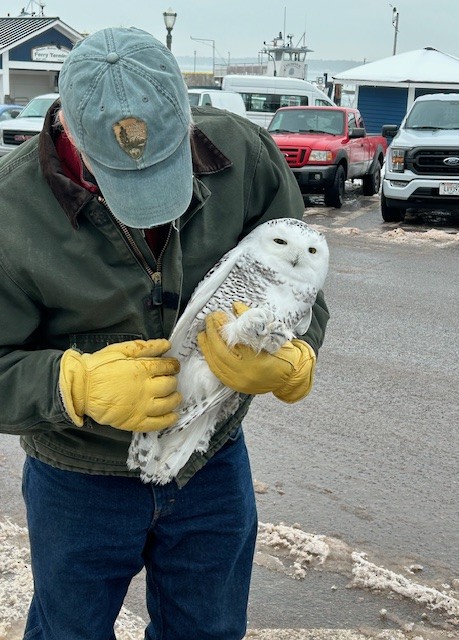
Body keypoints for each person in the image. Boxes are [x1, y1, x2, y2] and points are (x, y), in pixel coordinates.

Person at [0, 26, 329, 640]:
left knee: (208, 631)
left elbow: (304, 284)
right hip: (80, 479)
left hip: (210, 464)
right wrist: (73, 384)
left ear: (187, 112)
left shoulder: (247, 156)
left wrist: (294, 357)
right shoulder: (8, 211)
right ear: (67, 126)